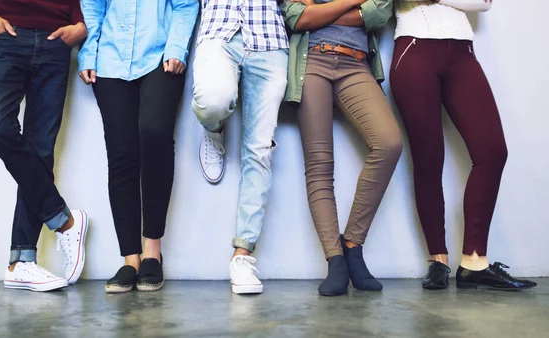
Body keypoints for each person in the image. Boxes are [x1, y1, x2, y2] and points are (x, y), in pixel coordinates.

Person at [391, 0, 536, 290]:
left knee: (492, 151)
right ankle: (438, 260)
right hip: (414, 48)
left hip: (462, 53)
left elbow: (483, 3)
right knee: (428, 159)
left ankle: (473, 260)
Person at [0, 0, 89, 292]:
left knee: (41, 147)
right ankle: (64, 220)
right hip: (7, 36)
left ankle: (21, 261)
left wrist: (80, 25)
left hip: (56, 39)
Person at [79, 0, 199, 293]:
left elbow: (186, 5)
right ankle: (130, 259)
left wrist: (176, 48)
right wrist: (89, 53)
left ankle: (152, 251)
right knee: (121, 153)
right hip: (110, 59)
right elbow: (93, 7)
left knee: (155, 133)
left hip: (161, 55)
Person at [281, 0, 400, 296]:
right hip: (310, 61)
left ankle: (353, 245)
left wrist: (321, 9)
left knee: (389, 143)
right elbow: (297, 17)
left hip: (356, 63)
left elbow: (380, 12)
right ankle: (335, 259)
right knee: (319, 165)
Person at [192, 0, 289, 294]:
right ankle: (214, 128)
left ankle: (243, 254)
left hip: (270, 38)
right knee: (213, 101)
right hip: (218, 32)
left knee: (260, 149)